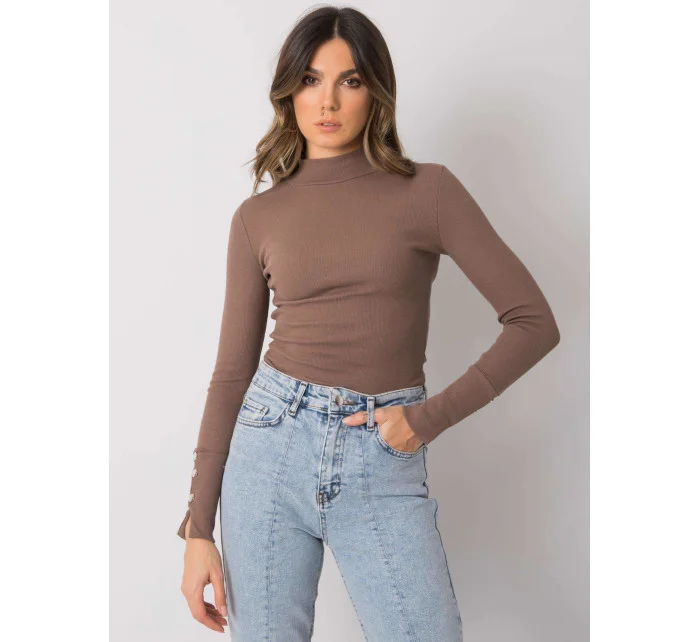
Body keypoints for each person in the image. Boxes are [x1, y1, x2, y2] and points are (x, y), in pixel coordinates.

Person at [178, 6, 560, 641]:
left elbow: (533, 322)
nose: (327, 100)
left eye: (349, 81)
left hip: (381, 452)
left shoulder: (428, 192)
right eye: (310, 80)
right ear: (288, 92)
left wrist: (425, 419)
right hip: (269, 449)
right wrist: (197, 530)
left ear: (375, 91)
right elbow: (231, 377)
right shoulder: (257, 217)